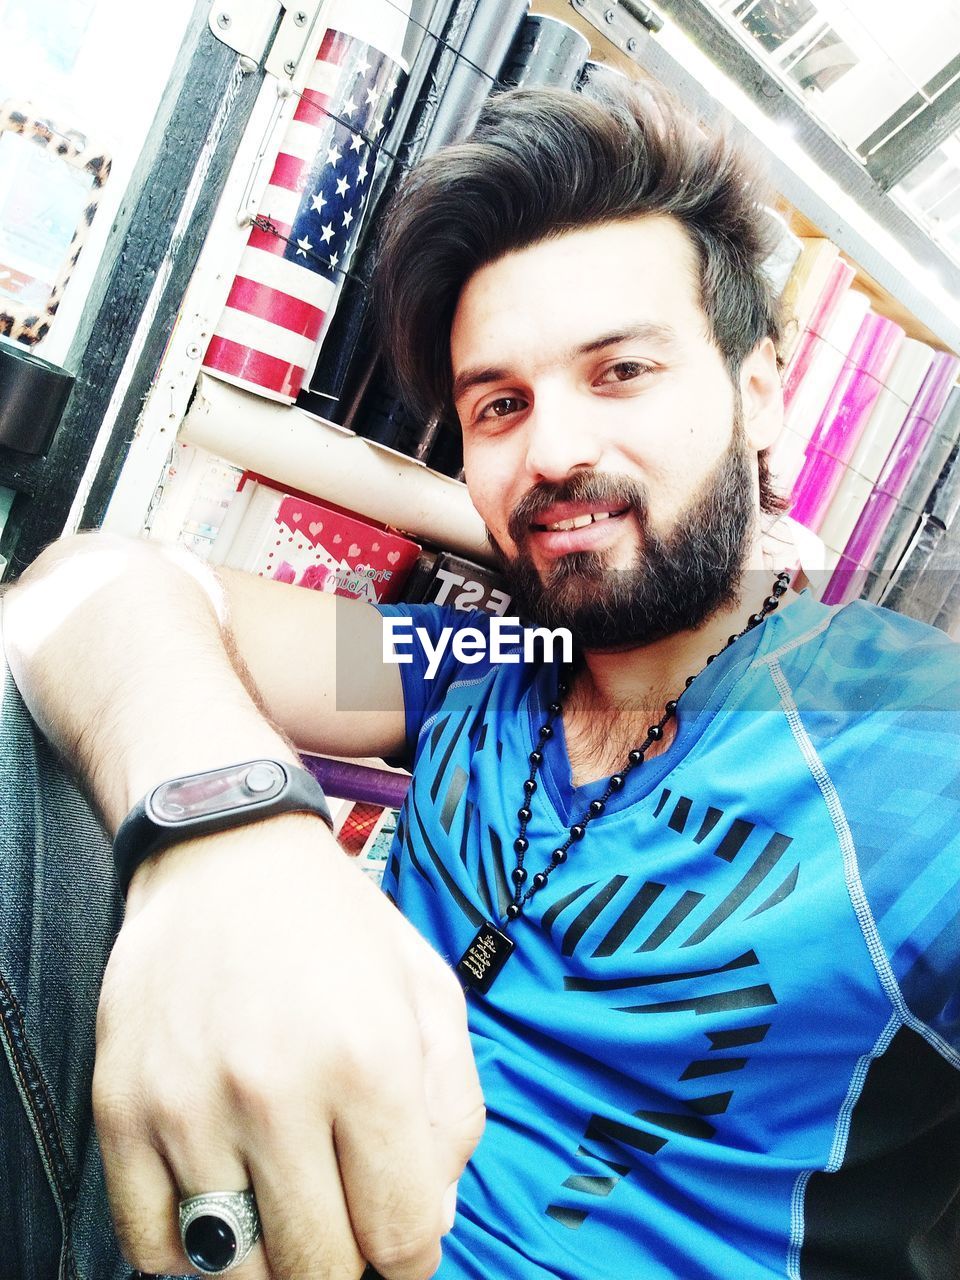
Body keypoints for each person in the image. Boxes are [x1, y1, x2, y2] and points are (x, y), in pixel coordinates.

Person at [1, 78, 959, 1280]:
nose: (554, 451)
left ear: (757, 394)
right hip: (240, 1221)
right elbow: (98, 590)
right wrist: (226, 836)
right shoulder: (482, 664)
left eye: (620, 373)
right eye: (500, 404)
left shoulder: (914, 736)